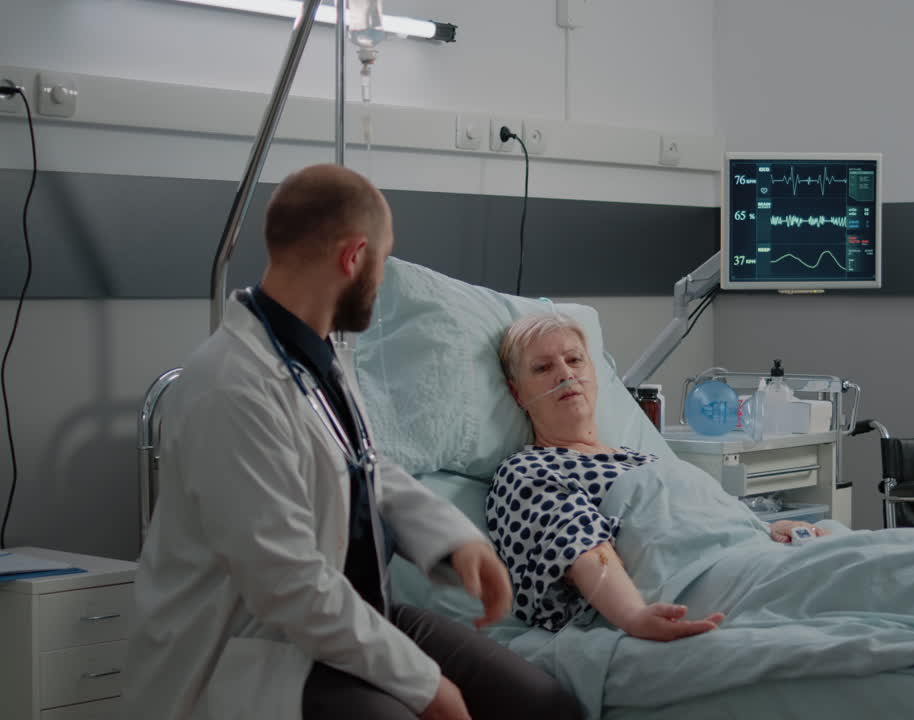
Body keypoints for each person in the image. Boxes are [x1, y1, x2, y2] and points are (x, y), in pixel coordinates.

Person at [125, 165, 581, 720]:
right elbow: (287, 583)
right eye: (382, 261)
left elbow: (364, 463)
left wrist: (457, 539)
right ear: (353, 257)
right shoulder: (230, 388)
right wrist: (425, 686)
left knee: (543, 704)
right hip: (258, 645)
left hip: (356, 614)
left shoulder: (314, 351)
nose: (381, 279)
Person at [487, 313, 829, 640]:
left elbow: (703, 517)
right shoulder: (529, 469)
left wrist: (764, 528)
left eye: (575, 360)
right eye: (543, 367)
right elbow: (580, 546)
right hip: (701, 580)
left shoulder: (643, 457)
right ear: (518, 393)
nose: (565, 374)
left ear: (592, 371)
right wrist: (634, 616)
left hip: (753, 552)